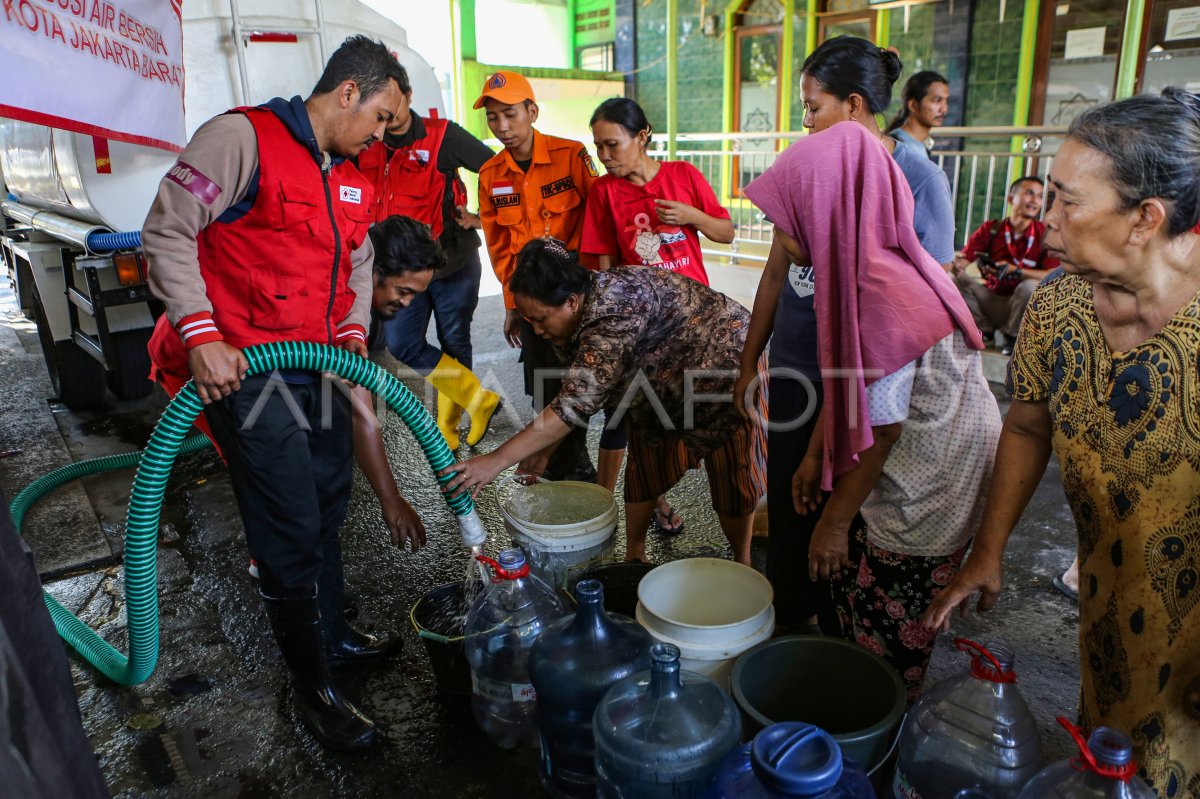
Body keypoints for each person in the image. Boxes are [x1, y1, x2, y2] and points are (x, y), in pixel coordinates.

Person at [925, 89, 1200, 792]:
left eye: (1066, 201)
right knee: (1108, 750)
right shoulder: (1056, 304)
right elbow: (1026, 422)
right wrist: (989, 551)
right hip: (1108, 595)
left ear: (1146, 219)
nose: (1045, 220)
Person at [142, 35, 405, 751]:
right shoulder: (241, 138)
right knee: (288, 519)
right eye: (382, 117)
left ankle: (333, 632)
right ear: (349, 90)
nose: (382, 135)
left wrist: (353, 333)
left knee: (327, 499)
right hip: (249, 373)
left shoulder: (346, 172)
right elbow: (167, 230)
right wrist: (200, 335)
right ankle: (312, 688)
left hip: (317, 367)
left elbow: (359, 260)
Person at [740, 119, 1000, 698]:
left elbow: (881, 430)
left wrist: (831, 527)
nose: (777, 227)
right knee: (859, 581)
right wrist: (816, 454)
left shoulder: (880, 294)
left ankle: (886, 715)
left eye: (791, 211)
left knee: (892, 598)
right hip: (921, 438)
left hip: (931, 468)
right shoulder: (867, 264)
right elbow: (853, 385)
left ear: (831, 211)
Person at [735, 36, 958, 639]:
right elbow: (778, 268)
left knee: (845, 504)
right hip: (798, 362)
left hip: (866, 373)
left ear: (854, 104)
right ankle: (791, 622)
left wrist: (824, 442)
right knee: (789, 501)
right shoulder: (810, 164)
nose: (806, 122)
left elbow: (905, 305)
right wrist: (751, 358)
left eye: (814, 107)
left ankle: (841, 631)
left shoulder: (912, 176)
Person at [439, 239, 766, 566]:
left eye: (540, 319)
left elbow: (573, 406)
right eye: (530, 322)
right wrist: (543, 450)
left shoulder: (613, 313)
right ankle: (634, 558)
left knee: (731, 478)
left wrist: (495, 461)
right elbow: (575, 392)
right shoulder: (576, 313)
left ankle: (743, 561)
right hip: (657, 384)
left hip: (727, 369)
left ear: (569, 302)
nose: (535, 331)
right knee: (646, 467)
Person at [582, 96, 735, 533]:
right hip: (642, 330)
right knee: (630, 417)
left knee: (696, 416)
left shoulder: (683, 175)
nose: (605, 157)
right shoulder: (604, 192)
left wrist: (692, 215)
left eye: (613, 144)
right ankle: (609, 509)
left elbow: (725, 232)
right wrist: (612, 330)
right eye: (598, 148)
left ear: (642, 136)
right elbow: (604, 265)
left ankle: (707, 506)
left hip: (696, 324)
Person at [355, 64, 501, 451]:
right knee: (405, 346)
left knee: (455, 342)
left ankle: (450, 423)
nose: (386, 113)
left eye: (393, 101)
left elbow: (497, 170)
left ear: (408, 96)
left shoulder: (442, 136)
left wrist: (481, 218)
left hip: (453, 264)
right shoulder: (368, 141)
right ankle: (478, 399)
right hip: (401, 271)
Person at [476, 70, 598, 481]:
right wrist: (511, 305)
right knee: (543, 382)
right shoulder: (491, 175)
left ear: (532, 111)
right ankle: (560, 462)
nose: (502, 127)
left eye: (510, 114)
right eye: (493, 118)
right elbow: (498, 247)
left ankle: (570, 464)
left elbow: (598, 217)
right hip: (531, 305)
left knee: (580, 380)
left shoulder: (571, 155)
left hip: (573, 300)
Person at [952, 176, 1060, 354]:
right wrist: (959, 265)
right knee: (955, 279)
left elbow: (1051, 273)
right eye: (1029, 193)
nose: (1035, 201)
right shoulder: (992, 228)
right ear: (1011, 199)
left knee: (1030, 286)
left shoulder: (1043, 234)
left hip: (1018, 304)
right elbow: (964, 258)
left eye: (1040, 196)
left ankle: (1013, 338)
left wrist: (1016, 271)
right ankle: (982, 330)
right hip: (990, 298)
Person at [885, 70, 949, 155]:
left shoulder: (921, 145)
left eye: (946, 101)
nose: (944, 109)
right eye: (937, 100)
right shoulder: (894, 146)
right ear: (913, 105)